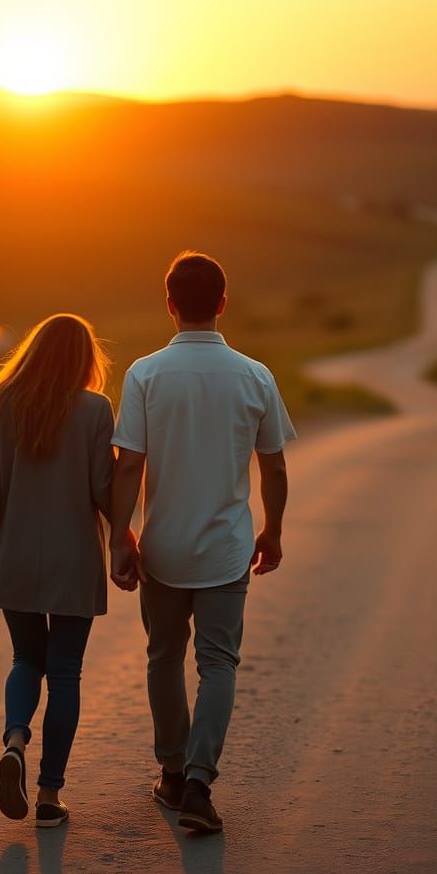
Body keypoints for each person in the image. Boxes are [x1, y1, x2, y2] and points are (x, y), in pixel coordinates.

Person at [108, 251, 296, 833]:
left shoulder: (144, 373)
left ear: (169, 305)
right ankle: (197, 782)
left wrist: (119, 538)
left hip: (161, 549)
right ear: (222, 302)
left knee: (164, 657)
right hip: (225, 550)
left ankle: (169, 772)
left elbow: (128, 464)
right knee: (218, 663)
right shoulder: (255, 375)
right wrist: (273, 531)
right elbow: (275, 469)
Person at [0, 313, 124, 828]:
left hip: (17, 556)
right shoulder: (94, 409)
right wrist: (127, 538)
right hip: (74, 560)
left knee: (26, 658)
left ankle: (16, 738)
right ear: (85, 359)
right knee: (65, 672)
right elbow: (102, 488)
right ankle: (48, 797)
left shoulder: (3, 405)